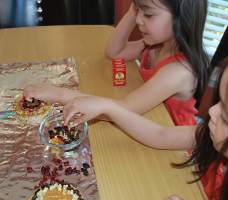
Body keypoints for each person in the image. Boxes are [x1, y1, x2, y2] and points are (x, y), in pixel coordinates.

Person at [57, 45, 228, 200]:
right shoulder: (209, 136)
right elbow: (160, 135)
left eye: (226, 116)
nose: (213, 111)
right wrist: (108, 108)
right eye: (220, 102)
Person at [24, 0, 209, 126]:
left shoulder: (178, 71)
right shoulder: (154, 46)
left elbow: (125, 110)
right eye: (138, 11)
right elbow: (114, 52)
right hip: (151, 120)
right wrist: (132, 11)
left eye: (149, 15)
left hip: (172, 145)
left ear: (182, 18)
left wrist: (59, 94)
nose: (138, 20)